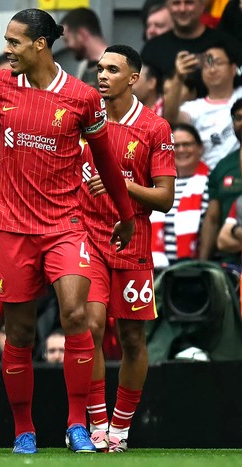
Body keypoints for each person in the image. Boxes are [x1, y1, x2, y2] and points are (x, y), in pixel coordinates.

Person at [0, 8, 136, 454]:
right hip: (12, 226)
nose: (6, 49)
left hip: (65, 225)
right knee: (19, 334)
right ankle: (24, 430)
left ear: (39, 44)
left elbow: (107, 159)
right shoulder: (0, 87)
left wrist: (125, 215)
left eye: (15, 42)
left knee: (77, 316)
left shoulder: (81, 97)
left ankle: (76, 426)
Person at [79, 45, 176, 453]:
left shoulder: (155, 128)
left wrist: (121, 187)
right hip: (86, 236)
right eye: (100, 68)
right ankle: (97, 423)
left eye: (112, 70)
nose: (102, 76)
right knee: (91, 327)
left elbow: (165, 198)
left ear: (132, 78)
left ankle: (121, 428)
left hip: (132, 238)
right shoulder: (85, 117)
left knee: (133, 338)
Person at [163, 42, 242, 169]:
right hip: (207, 179)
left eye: (218, 63)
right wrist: (179, 77)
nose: (212, 69)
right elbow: (171, 117)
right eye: (207, 64)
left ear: (233, 68)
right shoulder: (194, 108)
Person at [151, 123, 209, 269]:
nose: (181, 150)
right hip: (159, 270)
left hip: (194, 270)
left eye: (187, 144)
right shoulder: (158, 184)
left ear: (200, 148)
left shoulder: (210, 182)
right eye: (176, 146)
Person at [199, 98, 242, 263]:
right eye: (238, 118)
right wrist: (202, 264)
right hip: (230, 263)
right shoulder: (223, 166)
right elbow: (212, 218)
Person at [60, 7, 108, 89]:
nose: (67, 46)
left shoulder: (116, 66)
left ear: (82, 34)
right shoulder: (83, 67)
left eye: (67, 40)